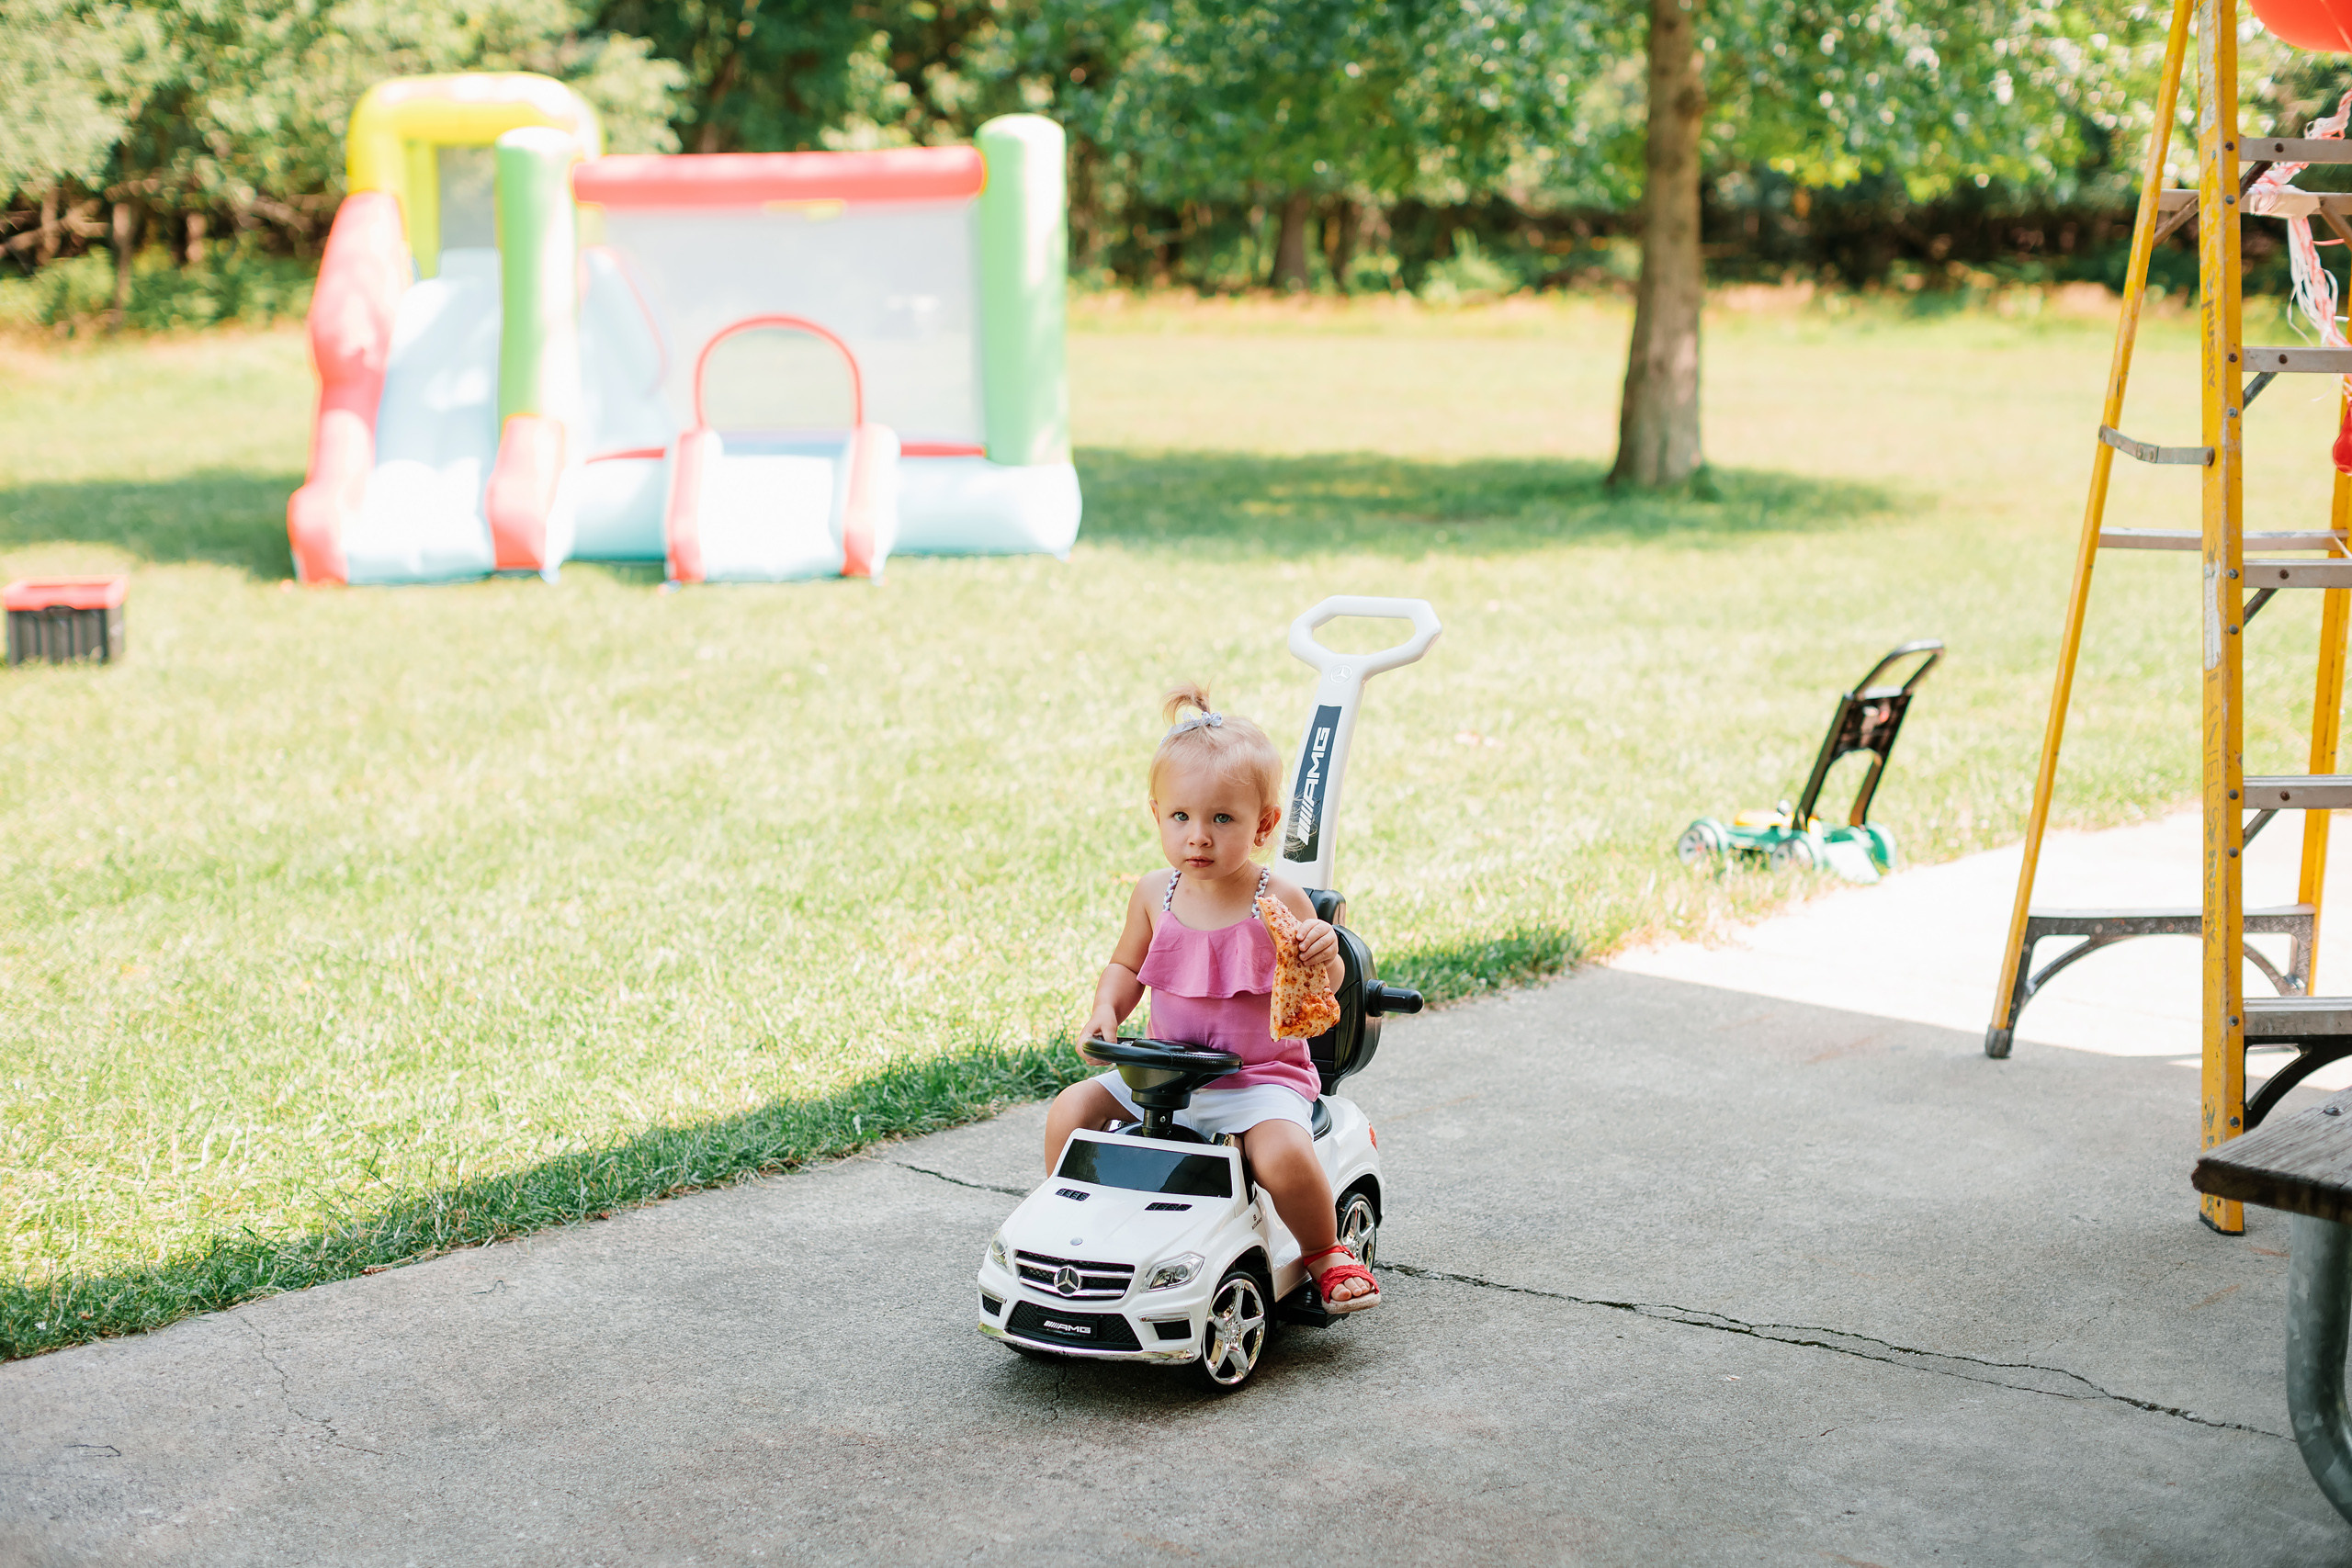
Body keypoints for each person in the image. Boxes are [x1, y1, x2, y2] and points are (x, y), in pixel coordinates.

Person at [1041, 682, 1380, 1314]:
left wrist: (1323, 952)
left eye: (1222, 818)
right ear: (1157, 814)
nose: (1198, 836)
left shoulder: (1278, 901)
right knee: (1070, 1109)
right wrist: (1106, 1011)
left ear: (1264, 825)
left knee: (1280, 1153)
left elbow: (1322, 989)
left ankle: (1324, 1251)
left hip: (1257, 1077)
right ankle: (1077, 1226)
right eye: (1181, 817)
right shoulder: (1153, 893)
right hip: (1162, 1072)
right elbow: (1126, 964)